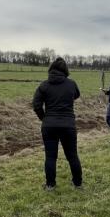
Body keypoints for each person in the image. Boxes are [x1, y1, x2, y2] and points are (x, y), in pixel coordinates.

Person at [32, 57, 83, 191]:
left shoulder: (44, 85)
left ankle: (50, 185)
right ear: (65, 70)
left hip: (49, 126)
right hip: (68, 125)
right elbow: (76, 95)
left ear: (51, 69)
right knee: (72, 155)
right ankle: (77, 183)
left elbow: (36, 105)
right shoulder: (71, 84)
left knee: (50, 156)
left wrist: (44, 118)